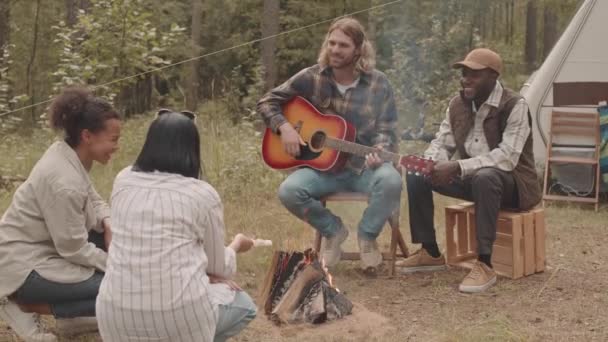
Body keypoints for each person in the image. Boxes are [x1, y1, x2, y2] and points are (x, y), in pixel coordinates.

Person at [96, 110, 257, 342]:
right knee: (244, 305)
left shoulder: (122, 180)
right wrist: (235, 246)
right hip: (179, 319)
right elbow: (219, 267)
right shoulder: (202, 193)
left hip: (113, 316)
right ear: (192, 148)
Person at [257, 17, 402, 274]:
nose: (335, 50)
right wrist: (285, 128)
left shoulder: (379, 83)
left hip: (362, 168)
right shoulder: (311, 77)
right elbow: (267, 101)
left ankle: (367, 237)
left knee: (391, 180)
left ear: (358, 50)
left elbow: (387, 128)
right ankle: (333, 231)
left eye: (343, 45)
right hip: (321, 170)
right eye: (332, 43)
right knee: (289, 191)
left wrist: (380, 150)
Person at [398, 48, 542, 293]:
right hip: (472, 179)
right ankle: (430, 251)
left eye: (474, 74)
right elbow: (442, 142)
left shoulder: (514, 105)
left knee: (486, 177)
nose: (466, 79)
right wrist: (432, 161)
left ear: (493, 77)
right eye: (464, 73)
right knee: (417, 170)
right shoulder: (457, 105)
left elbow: (506, 158)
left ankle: (485, 264)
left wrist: (457, 166)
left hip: (514, 185)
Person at [0, 87, 121, 341]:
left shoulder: (69, 155)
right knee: (117, 285)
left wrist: (109, 222)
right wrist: (118, 266)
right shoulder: (63, 181)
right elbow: (74, 249)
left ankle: (73, 321)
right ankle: (18, 303)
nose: (116, 147)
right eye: (113, 139)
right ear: (87, 136)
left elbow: (94, 198)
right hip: (24, 266)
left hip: (50, 249)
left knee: (116, 268)